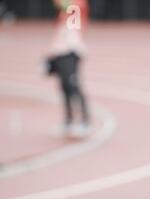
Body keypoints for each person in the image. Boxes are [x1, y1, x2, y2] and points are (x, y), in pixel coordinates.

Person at [46, 0, 90, 138]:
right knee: (64, 86)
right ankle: (69, 120)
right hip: (61, 50)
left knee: (73, 85)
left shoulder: (76, 4)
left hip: (71, 50)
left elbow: (71, 19)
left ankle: (84, 120)